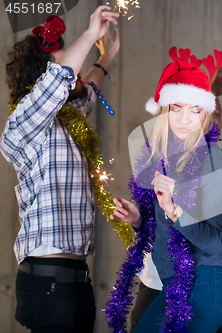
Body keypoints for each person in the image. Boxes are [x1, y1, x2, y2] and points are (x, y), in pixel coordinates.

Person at [0, 7, 119, 333]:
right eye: (68, 60)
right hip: (48, 284)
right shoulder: (24, 122)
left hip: (75, 284)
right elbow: (60, 79)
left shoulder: (63, 121)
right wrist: (91, 32)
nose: (76, 70)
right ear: (43, 75)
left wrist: (107, 57)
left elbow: (87, 91)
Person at [107, 60, 222, 333]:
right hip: (174, 284)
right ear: (164, 111)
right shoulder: (162, 159)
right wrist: (138, 218)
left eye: (195, 110)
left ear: (206, 114)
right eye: (176, 109)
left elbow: (213, 242)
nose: (184, 119)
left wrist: (174, 209)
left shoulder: (211, 159)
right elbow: (163, 227)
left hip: (205, 284)